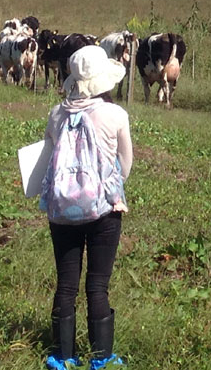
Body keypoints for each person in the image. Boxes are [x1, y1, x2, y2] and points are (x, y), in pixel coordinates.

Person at [39, 45, 133, 369]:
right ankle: (102, 358)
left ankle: (62, 357)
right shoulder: (116, 115)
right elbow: (125, 163)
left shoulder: (55, 114)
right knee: (97, 285)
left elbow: (47, 158)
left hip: (62, 211)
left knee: (65, 283)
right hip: (104, 211)